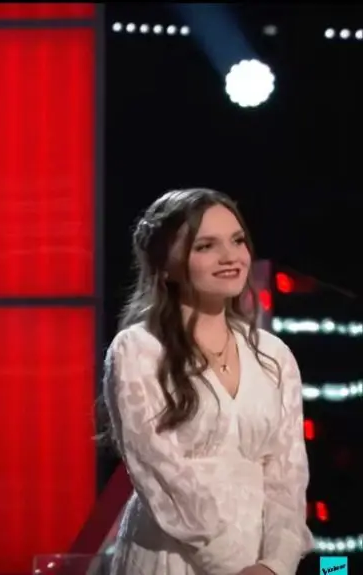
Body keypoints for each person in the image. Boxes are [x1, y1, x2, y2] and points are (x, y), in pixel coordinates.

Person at [103, 188, 312, 575]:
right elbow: (162, 474)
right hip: (171, 559)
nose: (230, 256)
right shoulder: (139, 349)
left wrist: (276, 564)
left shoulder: (274, 355)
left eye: (237, 240)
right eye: (206, 246)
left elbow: (288, 476)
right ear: (165, 265)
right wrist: (232, 566)